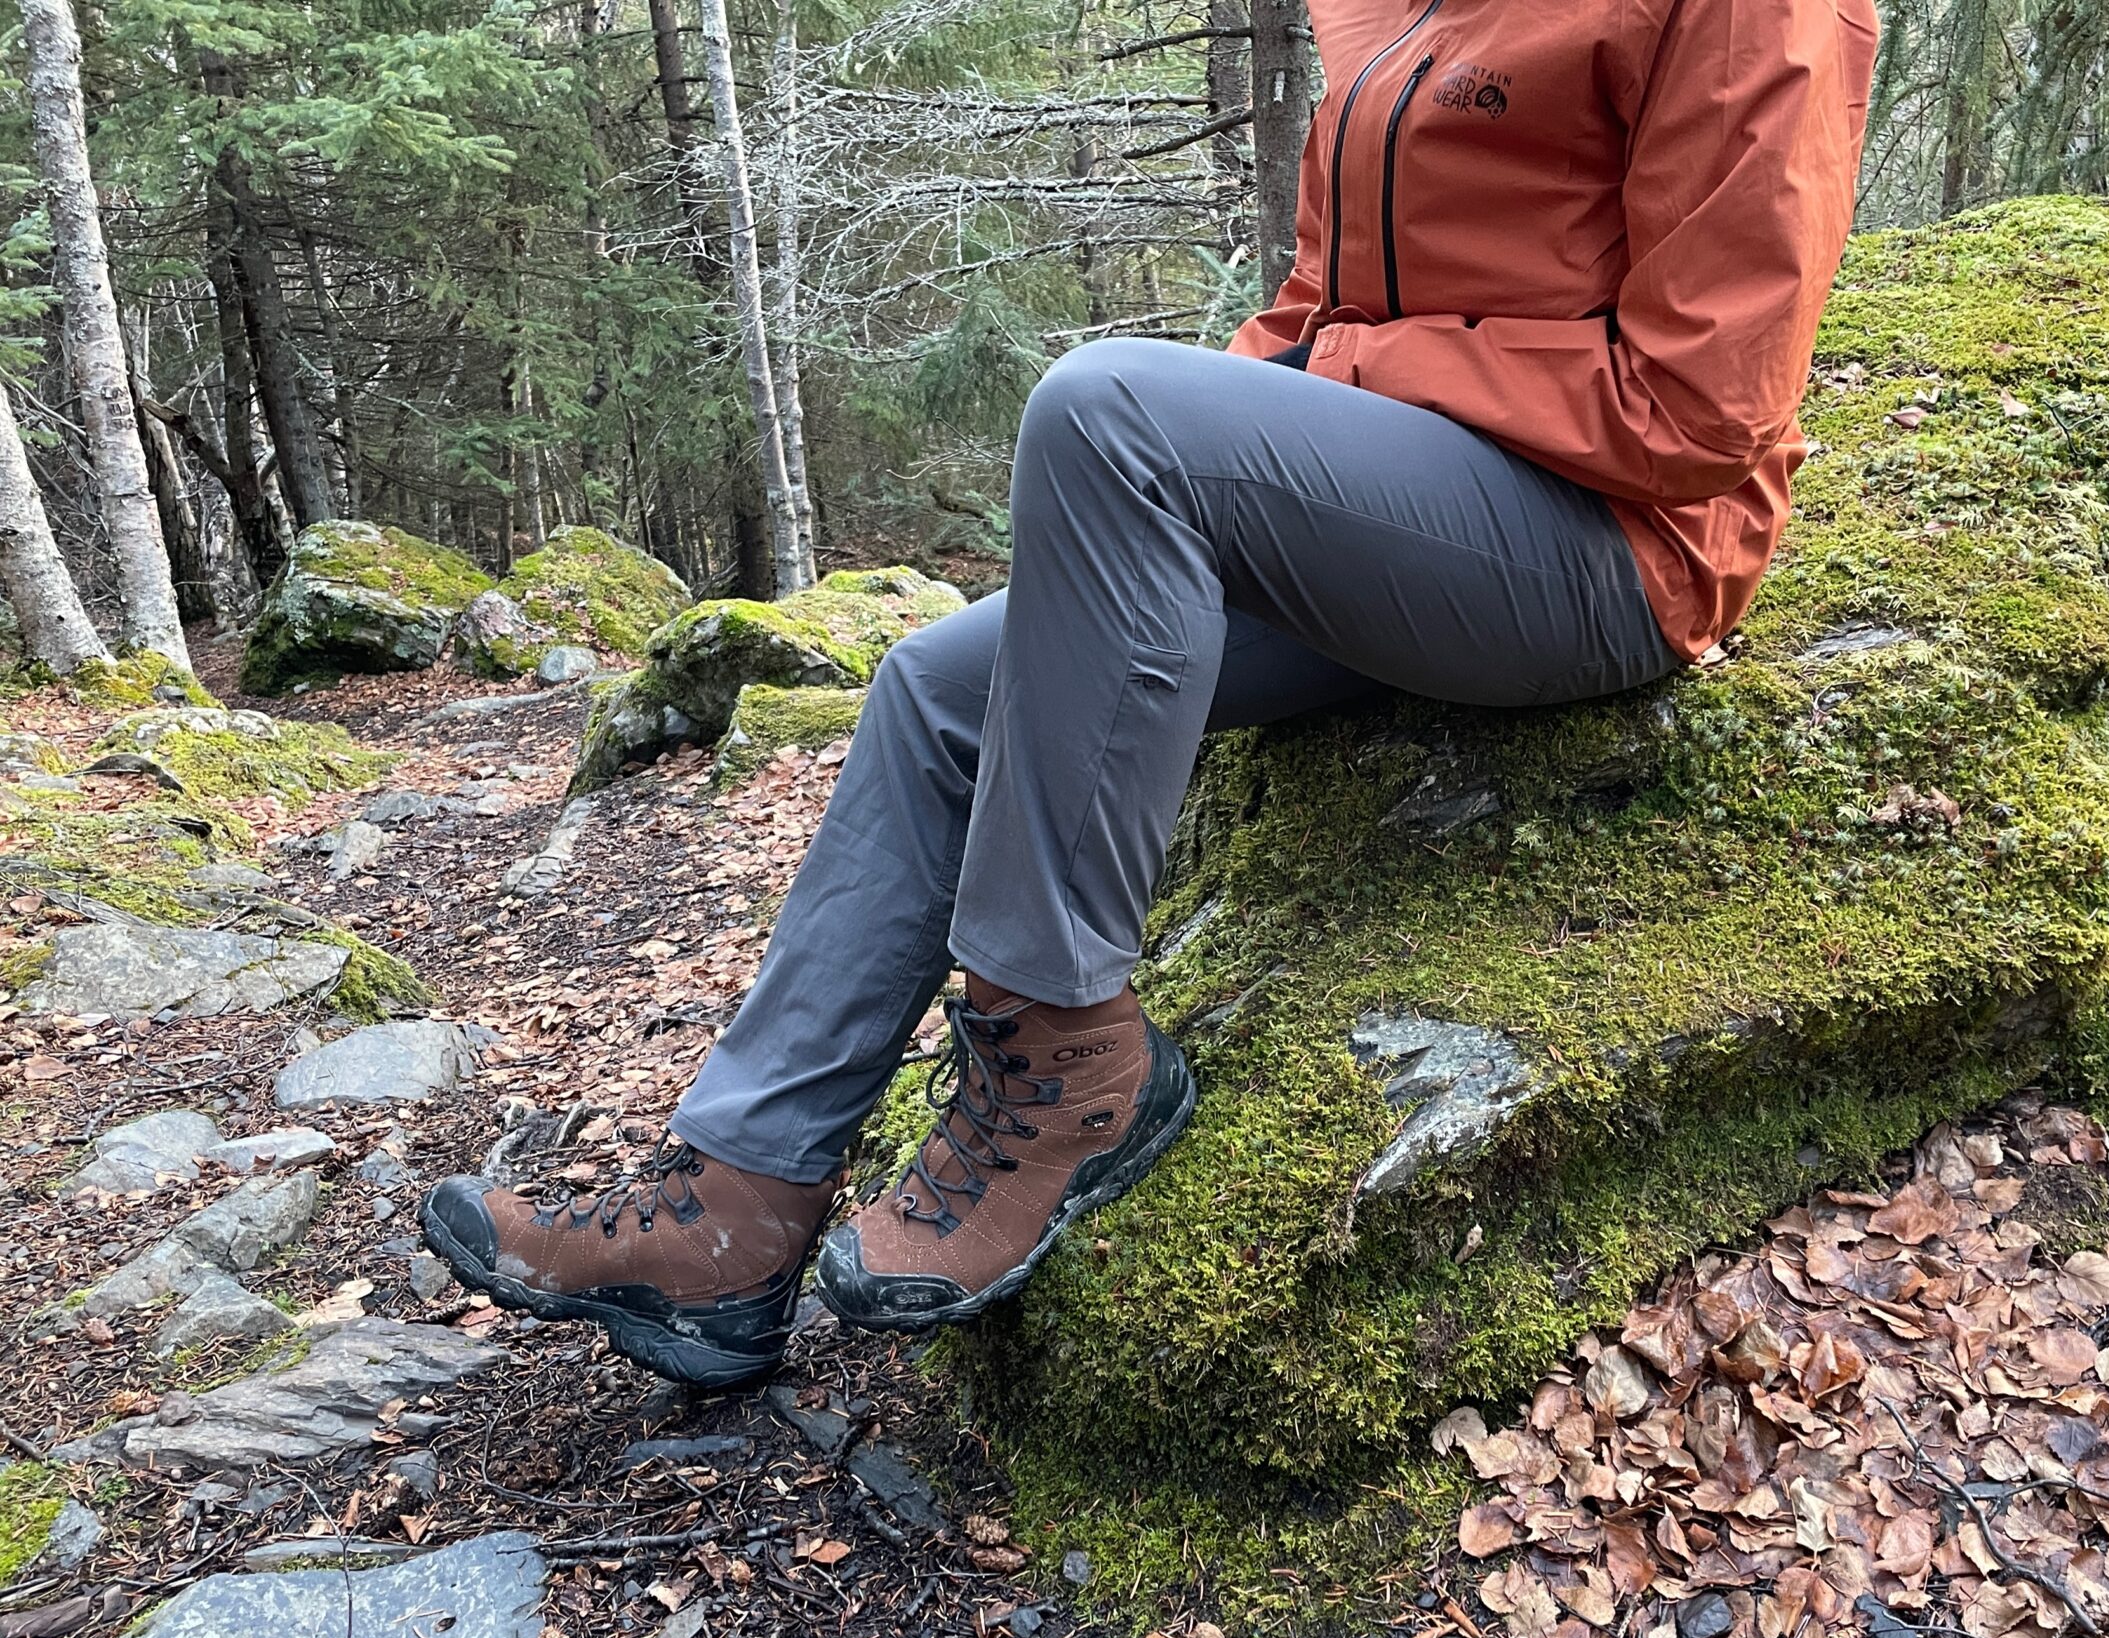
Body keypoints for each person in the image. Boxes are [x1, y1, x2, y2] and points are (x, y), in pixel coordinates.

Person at [419, 0, 1880, 1388]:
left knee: (1110, 412)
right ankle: (733, 1213)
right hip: (1408, 517)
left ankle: (1061, 1051)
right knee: (939, 687)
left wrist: (1324, 396)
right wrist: (1263, 443)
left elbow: (1703, 408)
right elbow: (1322, 303)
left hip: (1609, 548)